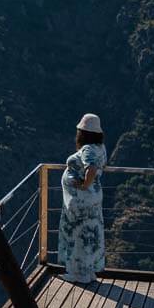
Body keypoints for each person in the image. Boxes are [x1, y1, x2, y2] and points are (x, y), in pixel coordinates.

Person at [58, 113, 108, 283]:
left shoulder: (87, 149)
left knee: (76, 235)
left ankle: (76, 274)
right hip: (93, 199)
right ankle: (89, 272)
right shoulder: (100, 148)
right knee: (89, 236)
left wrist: (83, 185)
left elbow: (91, 168)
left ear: (83, 133)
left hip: (80, 200)